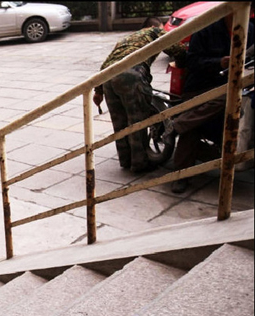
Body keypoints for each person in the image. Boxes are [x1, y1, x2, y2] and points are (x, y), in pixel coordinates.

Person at [168, 11, 254, 193]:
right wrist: (219, 63)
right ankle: (181, 175)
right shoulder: (206, 29)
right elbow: (192, 62)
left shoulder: (251, 30)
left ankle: (178, 125)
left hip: (235, 87)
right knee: (193, 125)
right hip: (201, 87)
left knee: (234, 99)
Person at [93, 17, 187, 173]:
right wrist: (184, 62)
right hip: (131, 76)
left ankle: (126, 160)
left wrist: (98, 91)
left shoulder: (126, 38)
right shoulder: (154, 30)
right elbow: (177, 48)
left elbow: (106, 63)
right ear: (153, 26)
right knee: (137, 121)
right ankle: (139, 163)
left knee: (120, 123)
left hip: (109, 78)